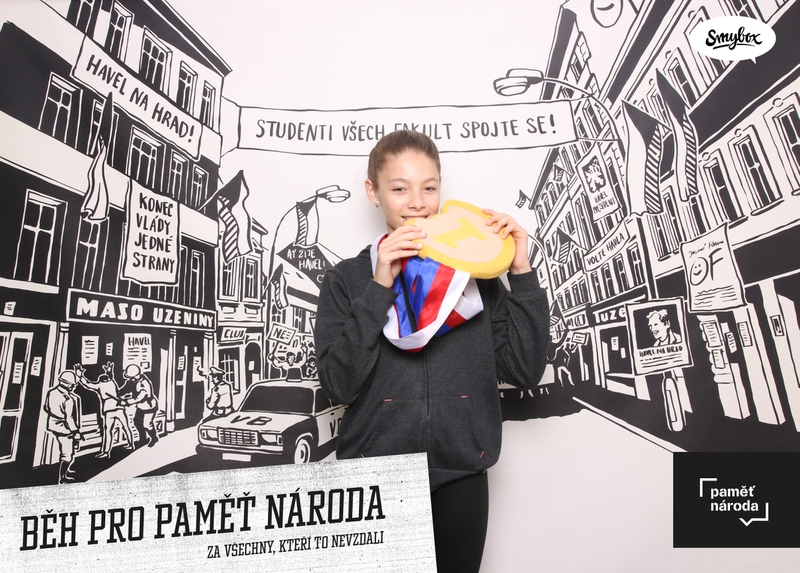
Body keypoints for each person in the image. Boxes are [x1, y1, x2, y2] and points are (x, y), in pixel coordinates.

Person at [315, 130, 549, 573]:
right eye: (399, 189)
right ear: (373, 192)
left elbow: (524, 370)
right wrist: (380, 286)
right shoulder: (346, 280)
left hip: (463, 470)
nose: (417, 203)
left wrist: (520, 271)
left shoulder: (475, 276)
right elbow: (338, 385)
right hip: (375, 477)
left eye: (429, 187)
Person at [76, 361, 135, 457]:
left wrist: (80, 376)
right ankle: (131, 444)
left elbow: (87, 384)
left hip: (109, 410)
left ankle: (106, 451)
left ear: (100, 380)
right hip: (119, 408)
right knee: (126, 427)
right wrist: (109, 371)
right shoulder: (112, 382)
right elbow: (111, 376)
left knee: (108, 430)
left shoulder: (99, 385)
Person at [44, 369, 83, 484]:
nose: (73, 387)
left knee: (68, 451)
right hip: (66, 429)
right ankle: (62, 478)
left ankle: (66, 472)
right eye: (72, 385)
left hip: (54, 425)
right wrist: (76, 432)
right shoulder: (68, 399)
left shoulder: (51, 392)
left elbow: (46, 408)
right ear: (67, 384)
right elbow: (69, 418)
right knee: (67, 455)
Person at [121, 364, 159, 447]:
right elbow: (126, 389)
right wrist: (121, 394)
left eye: (131, 377)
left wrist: (127, 402)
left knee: (147, 425)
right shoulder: (135, 381)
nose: (130, 379)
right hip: (141, 406)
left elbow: (139, 398)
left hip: (149, 407)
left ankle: (154, 438)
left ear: (136, 376)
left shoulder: (143, 384)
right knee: (137, 422)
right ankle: (143, 439)